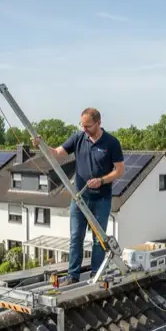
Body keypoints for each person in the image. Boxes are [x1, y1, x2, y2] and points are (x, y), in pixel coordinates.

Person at [32, 107, 124, 284]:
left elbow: (119, 170)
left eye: (88, 126)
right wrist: (42, 145)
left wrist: (102, 180)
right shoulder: (78, 138)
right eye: (82, 125)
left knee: (99, 240)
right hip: (79, 198)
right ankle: (72, 275)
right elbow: (58, 153)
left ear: (98, 123)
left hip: (101, 199)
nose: (84, 129)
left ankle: (95, 274)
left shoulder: (111, 143)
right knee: (76, 237)